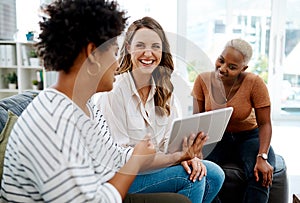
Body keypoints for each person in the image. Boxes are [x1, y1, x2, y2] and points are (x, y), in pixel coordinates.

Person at [0, 1, 208, 203]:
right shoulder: (53, 122)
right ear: (93, 55)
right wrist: (136, 160)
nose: (118, 63)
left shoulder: (85, 107)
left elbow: (115, 156)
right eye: (115, 53)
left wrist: (178, 155)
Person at [96, 16, 225, 203]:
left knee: (214, 173)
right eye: (140, 45)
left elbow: (169, 141)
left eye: (155, 46)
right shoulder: (115, 92)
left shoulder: (165, 91)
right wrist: (177, 159)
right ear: (128, 48)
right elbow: (119, 159)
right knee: (192, 179)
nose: (148, 53)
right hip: (123, 176)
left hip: (157, 168)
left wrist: (189, 156)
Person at [192, 38, 276, 203]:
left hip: (249, 136)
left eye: (232, 67)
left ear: (243, 68)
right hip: (215, 136)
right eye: (221, 60)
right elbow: (198, 119)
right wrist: (196, 149)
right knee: (200, 173)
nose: (222, 68)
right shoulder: (202, 80)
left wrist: (262, 156)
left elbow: (265, 123)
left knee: (260, 176)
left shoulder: (254, 83)